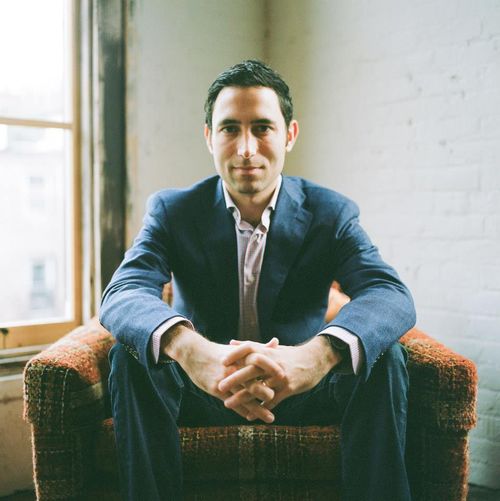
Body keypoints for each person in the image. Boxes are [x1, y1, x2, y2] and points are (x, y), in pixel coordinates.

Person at [100, 60, 416, 501]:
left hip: (300, 390)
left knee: (385, 356)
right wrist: (190, 350)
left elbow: (389, 293)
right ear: (209, 137)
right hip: (202, 391)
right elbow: (124, 290)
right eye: (230, 129)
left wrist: (318, 355)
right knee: (130, 357)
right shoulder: (173, 211)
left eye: (262, 128)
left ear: (289, 134)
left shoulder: (331, 212)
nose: (246, 148)